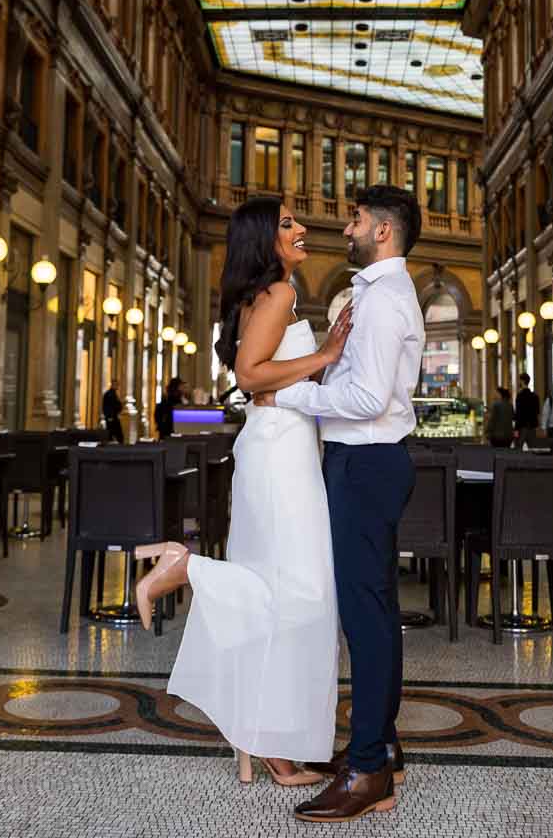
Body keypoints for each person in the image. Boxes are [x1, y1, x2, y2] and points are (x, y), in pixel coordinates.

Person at [132, 197, 352, 789]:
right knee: (302, 595)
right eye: (287, 224)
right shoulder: (277, 294)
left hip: (280, 447)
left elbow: (258, 373)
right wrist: (327, 354)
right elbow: (251, 377)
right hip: (280, 452)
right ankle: (183, 567)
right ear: (265, 239)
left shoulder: (265, 294)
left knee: (280, 593)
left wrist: (317, 363)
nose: (302, 228)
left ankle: (266, 739)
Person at [256, 184, 424, 823]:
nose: (345, 226)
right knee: (374, 611)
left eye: (355, 218)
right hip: (368, 463)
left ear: (382, 230)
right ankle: (381, 748)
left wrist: (286, 398)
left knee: (366, 616)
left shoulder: (382, 301)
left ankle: (368, 772)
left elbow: (365, 402)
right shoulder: (377, 294)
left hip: (365, 463)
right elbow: (353, 385)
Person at [515, 372, 541, 446]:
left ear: (522, 381)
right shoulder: (535, 396)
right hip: (532, 427)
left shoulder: (520, 396)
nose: (518, 382)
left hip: (522, 426)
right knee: (533, 449)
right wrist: (538, 427)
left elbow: (518, 413)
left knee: (518, 450)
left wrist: (516, 429)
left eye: (519, 380)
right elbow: (537, 412)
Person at [102, 379, 124, 443]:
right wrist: (109, 417)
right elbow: (108, 407)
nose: (117, 386)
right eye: (115, 384)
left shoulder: (113, 393)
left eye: (117, 384)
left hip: (113, 416)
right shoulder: (109, 394)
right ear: (112, 385)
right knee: (114, 433)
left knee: (115, 433)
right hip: (111, 417)